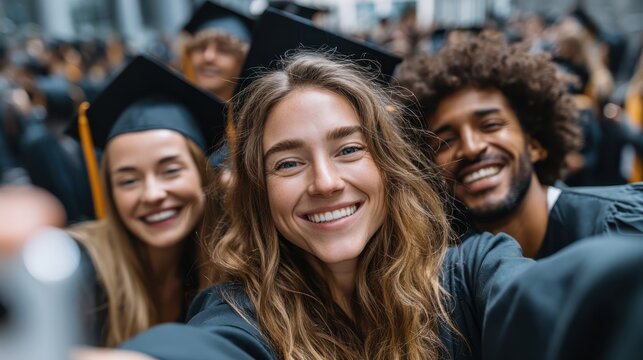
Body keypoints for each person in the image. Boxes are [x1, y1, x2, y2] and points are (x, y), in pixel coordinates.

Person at [70, 51, 643, 360]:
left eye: (349, 149)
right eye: (288, 163)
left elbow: (550, 305)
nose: (325, 181)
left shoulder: (469, 274)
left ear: (387, 167)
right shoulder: (239, 314)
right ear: (260, 194)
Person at [397, 32, 643, 258]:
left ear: (535, 144)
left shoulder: (618, 229)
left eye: (490, 125)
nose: (471, 148)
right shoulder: (444, 270)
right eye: (445, 141)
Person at [64, 55, 227, 347]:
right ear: (110, 193)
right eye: (129, 180)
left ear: (204, 176)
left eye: (171, 170)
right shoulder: (82, 270)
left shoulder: (230, 265)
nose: (152, 194)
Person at [179, 1, 254, 102]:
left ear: (243, 61)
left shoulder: (255, 117)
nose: (208, 56)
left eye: (224, 50)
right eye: (201, 47)